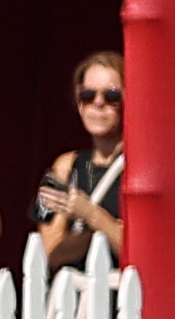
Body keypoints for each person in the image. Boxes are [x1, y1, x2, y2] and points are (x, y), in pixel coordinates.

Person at [24, 50, 122, 275]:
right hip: (72, 300)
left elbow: (142, 254)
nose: (98, 103)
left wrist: (90, 215)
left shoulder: (141, 172)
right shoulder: (64, 165)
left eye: (112, 96)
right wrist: (109, 228)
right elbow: (51, 251)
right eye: (88, 95)